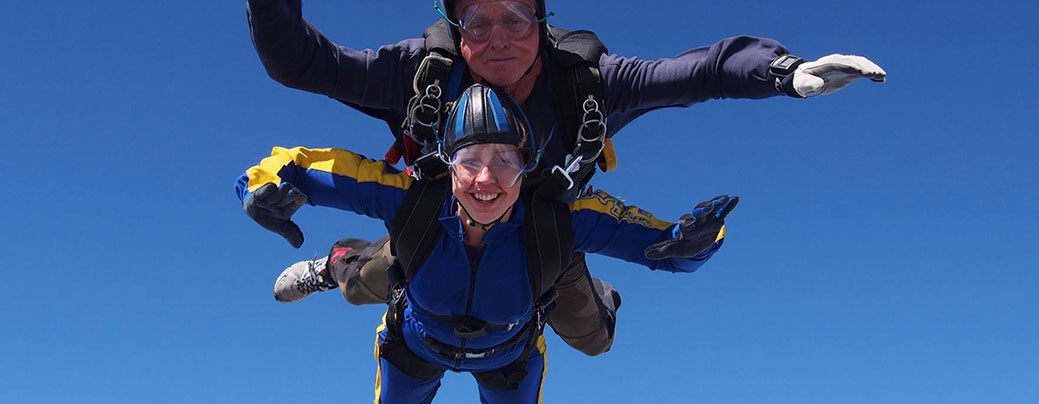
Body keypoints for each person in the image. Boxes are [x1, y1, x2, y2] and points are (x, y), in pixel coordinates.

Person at [235, 0, 886, 356]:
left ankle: (583, 294)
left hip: (547, 224)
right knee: (376, 280)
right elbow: (306, 65)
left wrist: (784, 72)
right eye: (477, 22)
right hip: (441, 219)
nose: (498, 39)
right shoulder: (422, 76)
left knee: (594, 338)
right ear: (456, 31)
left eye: (517, 18)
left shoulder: (588, 85)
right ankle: (335, 265)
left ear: (543, 21)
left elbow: (700, 71)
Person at [235, 85, 738, 403]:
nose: (485, 179)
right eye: (470, 159)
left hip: (510, 360)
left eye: (505, 160)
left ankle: (594, 293)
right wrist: (259, 189)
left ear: (528, 166)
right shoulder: (410, 199)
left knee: (594, 339)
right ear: (447, 164)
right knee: (361, 280)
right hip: (414, 344)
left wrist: (696, 243)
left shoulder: (561, 219)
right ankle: (334, 265)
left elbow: (669, 250)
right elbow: (298, 164)